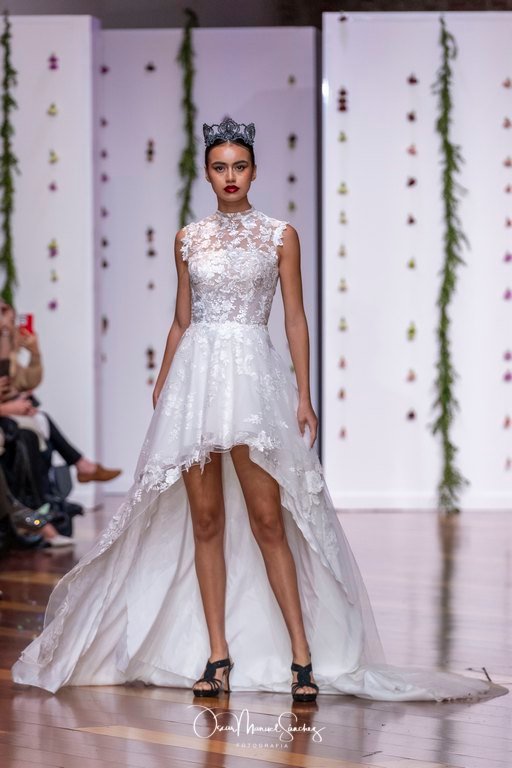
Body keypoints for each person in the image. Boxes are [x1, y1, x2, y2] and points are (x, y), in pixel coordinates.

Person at [11, 119, 507, 704]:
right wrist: (166, 379)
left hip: (252, 381)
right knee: (206, 522)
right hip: (195, 383)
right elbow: (181, 320)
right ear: (206, 173)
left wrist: (304, 394)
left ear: (254, 171)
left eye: (239, 166)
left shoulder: (279, 236)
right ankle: (217, 654)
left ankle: (302, 655)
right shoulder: (188, 239)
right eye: (219, 167)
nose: (230, 176)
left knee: (268, 520)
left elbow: (294, 317)